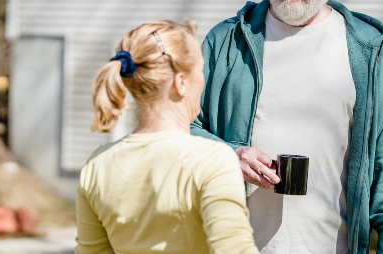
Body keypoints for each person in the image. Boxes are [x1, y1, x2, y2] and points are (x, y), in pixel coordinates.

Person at [190, 0, 383, 253]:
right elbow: (179, 127)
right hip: (234, 244)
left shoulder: (367, 50)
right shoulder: (227, 41)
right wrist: (228, 155)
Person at [75, 20, 259, 254]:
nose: (203, 80)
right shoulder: (213, 160)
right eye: (200, 70)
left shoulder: (96, 166)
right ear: (181, 83)